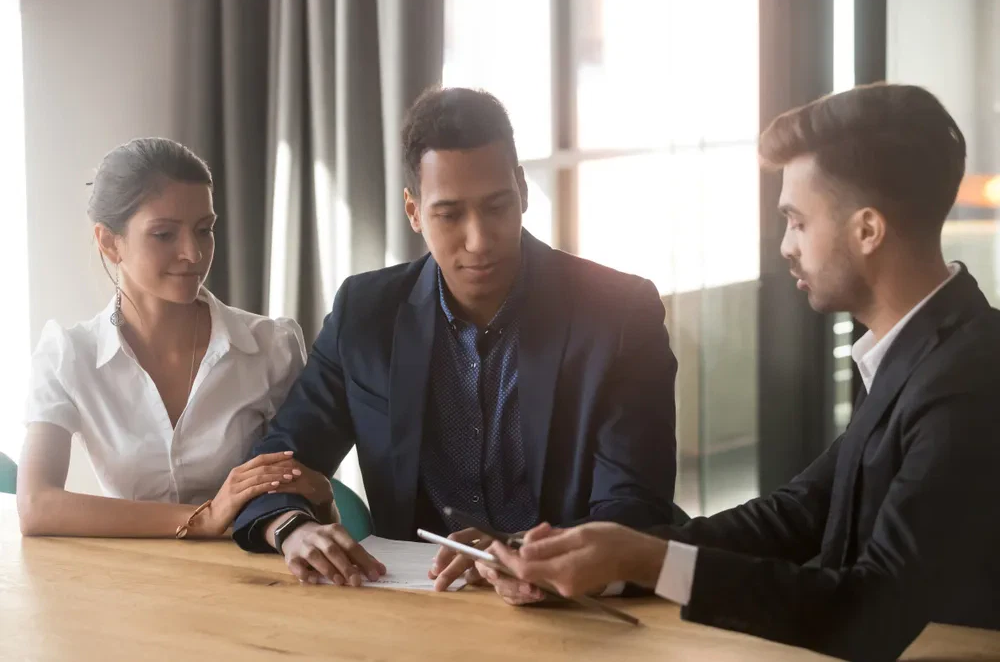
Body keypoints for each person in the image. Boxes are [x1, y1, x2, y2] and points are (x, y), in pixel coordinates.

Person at [489, 83, 1000, 661]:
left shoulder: (968, 383)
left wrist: (647, 560)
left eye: (797, 222)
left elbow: (870, 611)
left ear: (867, 230)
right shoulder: (916, 352)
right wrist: (602, 560)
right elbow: (796, 515)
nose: (785, 247)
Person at [232, 87, 679, 594]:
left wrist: (514, 550)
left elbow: (635, 508)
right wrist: (292, 528)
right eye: (449, 215)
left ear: (522, 190)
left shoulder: (619, 314)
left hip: (569, 603)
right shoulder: (366, 313)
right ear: (413, 211)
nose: (479, 240)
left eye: (497, 206)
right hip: (418, 602)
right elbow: (276, 463)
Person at [18, 138, 334, 539]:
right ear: (109, 242)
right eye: (164, 234)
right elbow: (37, 505)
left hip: (249, 569)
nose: (193, 254)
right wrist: (204, 517)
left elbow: (308, 497)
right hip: (131, 572)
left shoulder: (271, 348)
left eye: (204, 230)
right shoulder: (68, 355)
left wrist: (315, 492)